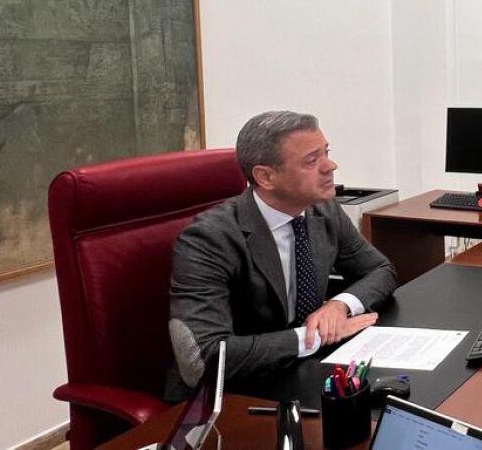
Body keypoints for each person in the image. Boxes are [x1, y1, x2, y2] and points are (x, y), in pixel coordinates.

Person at [166, 111, 397, 400]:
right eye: (312, 161)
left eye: (326, 153)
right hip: (229, 395)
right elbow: (204, 358)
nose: (331, 166)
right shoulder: (209, 239)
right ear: (265, 176)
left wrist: (339, 306)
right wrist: (313, 337)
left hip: (299, 375)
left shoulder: (322, 210)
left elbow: (380, 270)